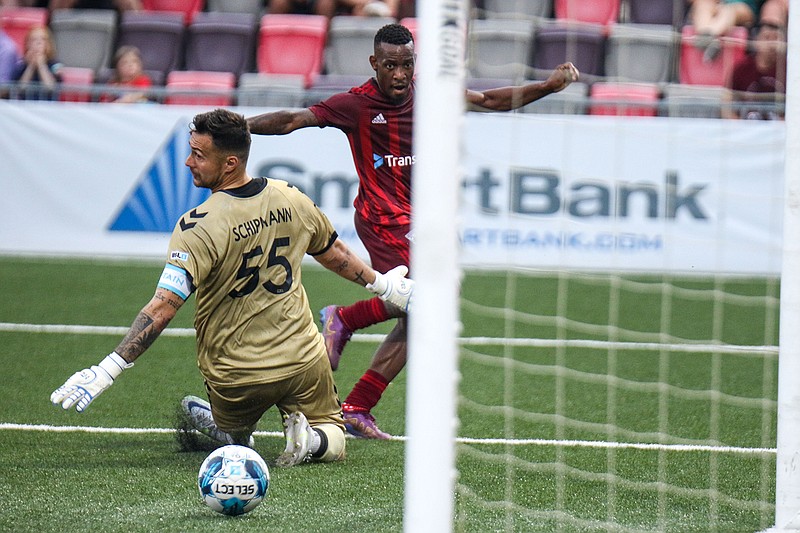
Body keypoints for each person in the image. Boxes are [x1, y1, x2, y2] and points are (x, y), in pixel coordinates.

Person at [246, 23, 579, 439]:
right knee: (432, 302)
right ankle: (345, 329)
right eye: (390, 65)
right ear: (374, 64)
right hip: (382, 220)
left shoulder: (432, 96)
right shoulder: (355, 104)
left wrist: (548, 85)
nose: (400, 74)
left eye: (407, 64)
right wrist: (240, 127)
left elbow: (490, 100)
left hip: (425, 220)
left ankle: (354, 397)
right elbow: (295, 119)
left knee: (428, 312)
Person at [50, 109, 414, 467]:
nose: (188, 162)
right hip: (303, 360)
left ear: (229, 163)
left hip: (238, 374)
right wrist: (383, 285)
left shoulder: (197, 227)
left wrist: (109, 368)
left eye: (198, 155)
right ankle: (311, 440)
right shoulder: (290, 196)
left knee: (235, 436)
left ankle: (233, 433)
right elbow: (333, 252)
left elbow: (163, 308)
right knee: (333, 440)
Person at [722, 0, 787, 119]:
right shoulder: (741, 69)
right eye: (767, 38)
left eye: (776, 38)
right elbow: (726, 104)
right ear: (757, 39)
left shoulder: (788, 71)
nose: (771, 44)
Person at [688, 0, 764, 61]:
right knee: (702, 5)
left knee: (729, 11)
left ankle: (708, 37)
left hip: (743, 8)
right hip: (719, 6)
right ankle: (709, 38)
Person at [11, 25, 62, 100]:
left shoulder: (55, 64)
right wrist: (31, 66)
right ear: (27, 43)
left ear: (48, 44)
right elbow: (21, 88)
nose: (38, 43)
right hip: (24, 107)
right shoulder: (22, 64)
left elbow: (50, 88)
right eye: (34, 40)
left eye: (43, 39)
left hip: (48, 108)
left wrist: (41, 65)